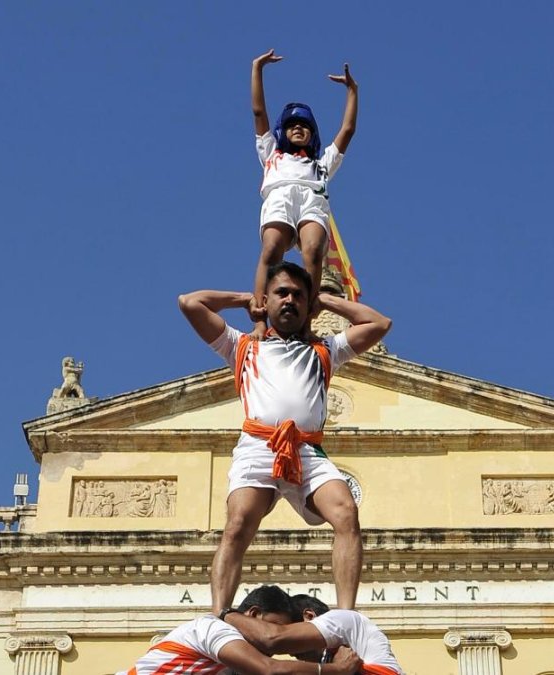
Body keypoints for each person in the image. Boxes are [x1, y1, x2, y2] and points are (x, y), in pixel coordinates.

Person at [178, 261, 391, 616]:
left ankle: (346, 616)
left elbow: (379, 324)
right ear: (269, 300)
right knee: (237, 524)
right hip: (259, 447)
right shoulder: (242, 347)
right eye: (282, 293)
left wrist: (326, 301)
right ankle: (218, 615)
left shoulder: (325, 351)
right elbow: (190, 303)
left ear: (308, 305)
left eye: (298, 295)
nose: (289, 300)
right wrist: (247, 299)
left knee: (346, 513)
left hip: (306, 450)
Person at [248, 48, 358, 339]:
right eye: (293, 126)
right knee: (271, 249)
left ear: (313, 136)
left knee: (312, 252)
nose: (299, 129)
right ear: (284, 132)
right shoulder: (272, 154)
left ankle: (306, 322)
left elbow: (347, 131)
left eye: (305, 127)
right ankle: (260, 320)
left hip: (311, 200)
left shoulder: (320, 165)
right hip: (280, 197)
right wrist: (256, 69)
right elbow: (259, 112)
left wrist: (352, 92)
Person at [115, 585, 362, 675]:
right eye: (275, 629)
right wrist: (335, 670)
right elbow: (270, 671)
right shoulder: (212, 628)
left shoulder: (232, 663)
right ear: (253, 615)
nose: (276, 646)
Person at [222, 594, 403, 675]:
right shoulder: (327, 663)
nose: (291, 652)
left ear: (308, 617)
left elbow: (273, 638)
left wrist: (226, 615)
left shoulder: (345, 620)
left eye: (291, 637)